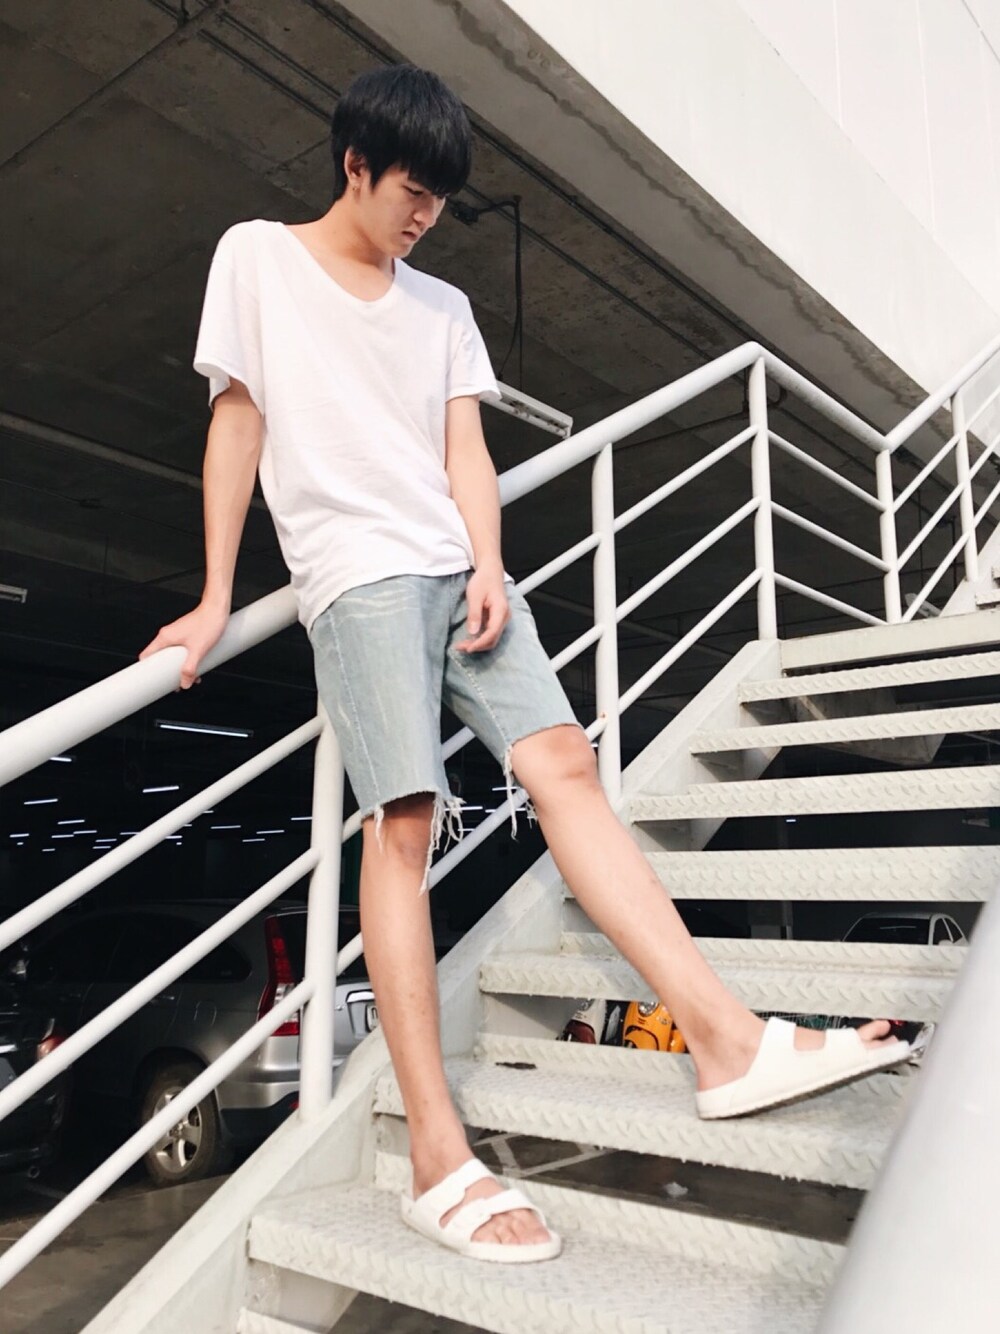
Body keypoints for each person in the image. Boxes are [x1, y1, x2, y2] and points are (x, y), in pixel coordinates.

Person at [140, 64, 908, 1265]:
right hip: (358, 577)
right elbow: (236, 422)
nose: (425, 215)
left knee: (566, 766)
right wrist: (213, 597)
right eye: (411, 190)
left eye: (441, 199)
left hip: (459, 571)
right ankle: (436, 1152)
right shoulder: (258, 257)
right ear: (354, 163)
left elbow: (465, 448)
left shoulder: (442, 305)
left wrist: (491, 562)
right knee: (403, 825)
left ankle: (724, 1039)